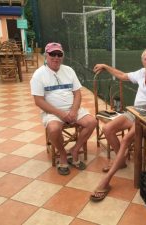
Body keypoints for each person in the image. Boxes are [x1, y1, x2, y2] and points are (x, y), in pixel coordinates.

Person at [90, 48, 146, 201]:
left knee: (125, 140)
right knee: (107, 129)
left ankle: (106, 181)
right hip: (134, 112)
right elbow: (122, 75)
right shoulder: (141, 72)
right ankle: (122, 161)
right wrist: (106, 66)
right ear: (142, 60)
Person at [30, 42, 97, 175]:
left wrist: (73, 110)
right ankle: (63, 155)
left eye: (59, 54)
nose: (56, 57)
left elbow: (77, 93)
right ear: (46, 55)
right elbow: (38, 101)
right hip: (52, 112)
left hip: (72, 109)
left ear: (63, 56)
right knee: (54, 129)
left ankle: (74, 150)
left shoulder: (69, 70)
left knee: (92, 122)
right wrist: (60, 113)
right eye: (52, 54)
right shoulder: (39, 74)